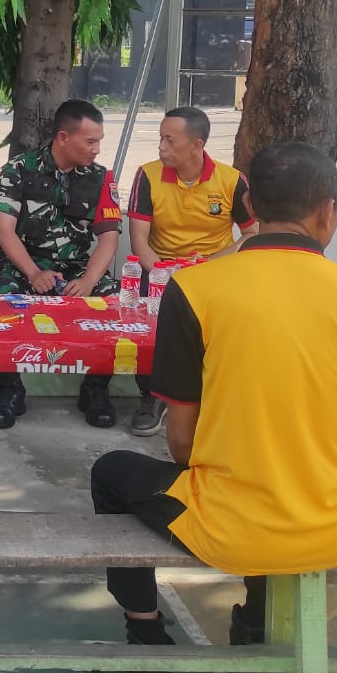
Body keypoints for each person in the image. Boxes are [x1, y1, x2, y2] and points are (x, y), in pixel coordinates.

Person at [87, 141, 337, 673]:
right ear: (328, 211)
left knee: (112, 472)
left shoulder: (196, 289)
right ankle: (254, 633)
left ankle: (148, 651)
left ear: (248, 205)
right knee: (280, 475)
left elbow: (181, 442)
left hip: (231, 527)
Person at [0, 100, 122, 429]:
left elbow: (109, 238)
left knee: (116, 302)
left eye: (99, 141)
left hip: (76, 267)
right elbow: (4, 231)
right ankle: (10, 390)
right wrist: (33, 273)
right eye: (90, 141)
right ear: (63, 137)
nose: (96, 149)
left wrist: (88, 281)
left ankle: (95, 389)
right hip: (24, 264)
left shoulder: (101, 178)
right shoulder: (19, 169)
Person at [124, 106, 257, 437]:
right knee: (149, 319)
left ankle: (219, 397)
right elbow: (139, 241)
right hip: (160, 268)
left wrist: (210, 265)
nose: (161, 147)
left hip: (214, 269)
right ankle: (153, 395)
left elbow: (252, 235)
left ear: (197, 145)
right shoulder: (148, 175)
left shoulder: (231, 180)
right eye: (160, 138)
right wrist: (164, 274)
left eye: (170, 140)